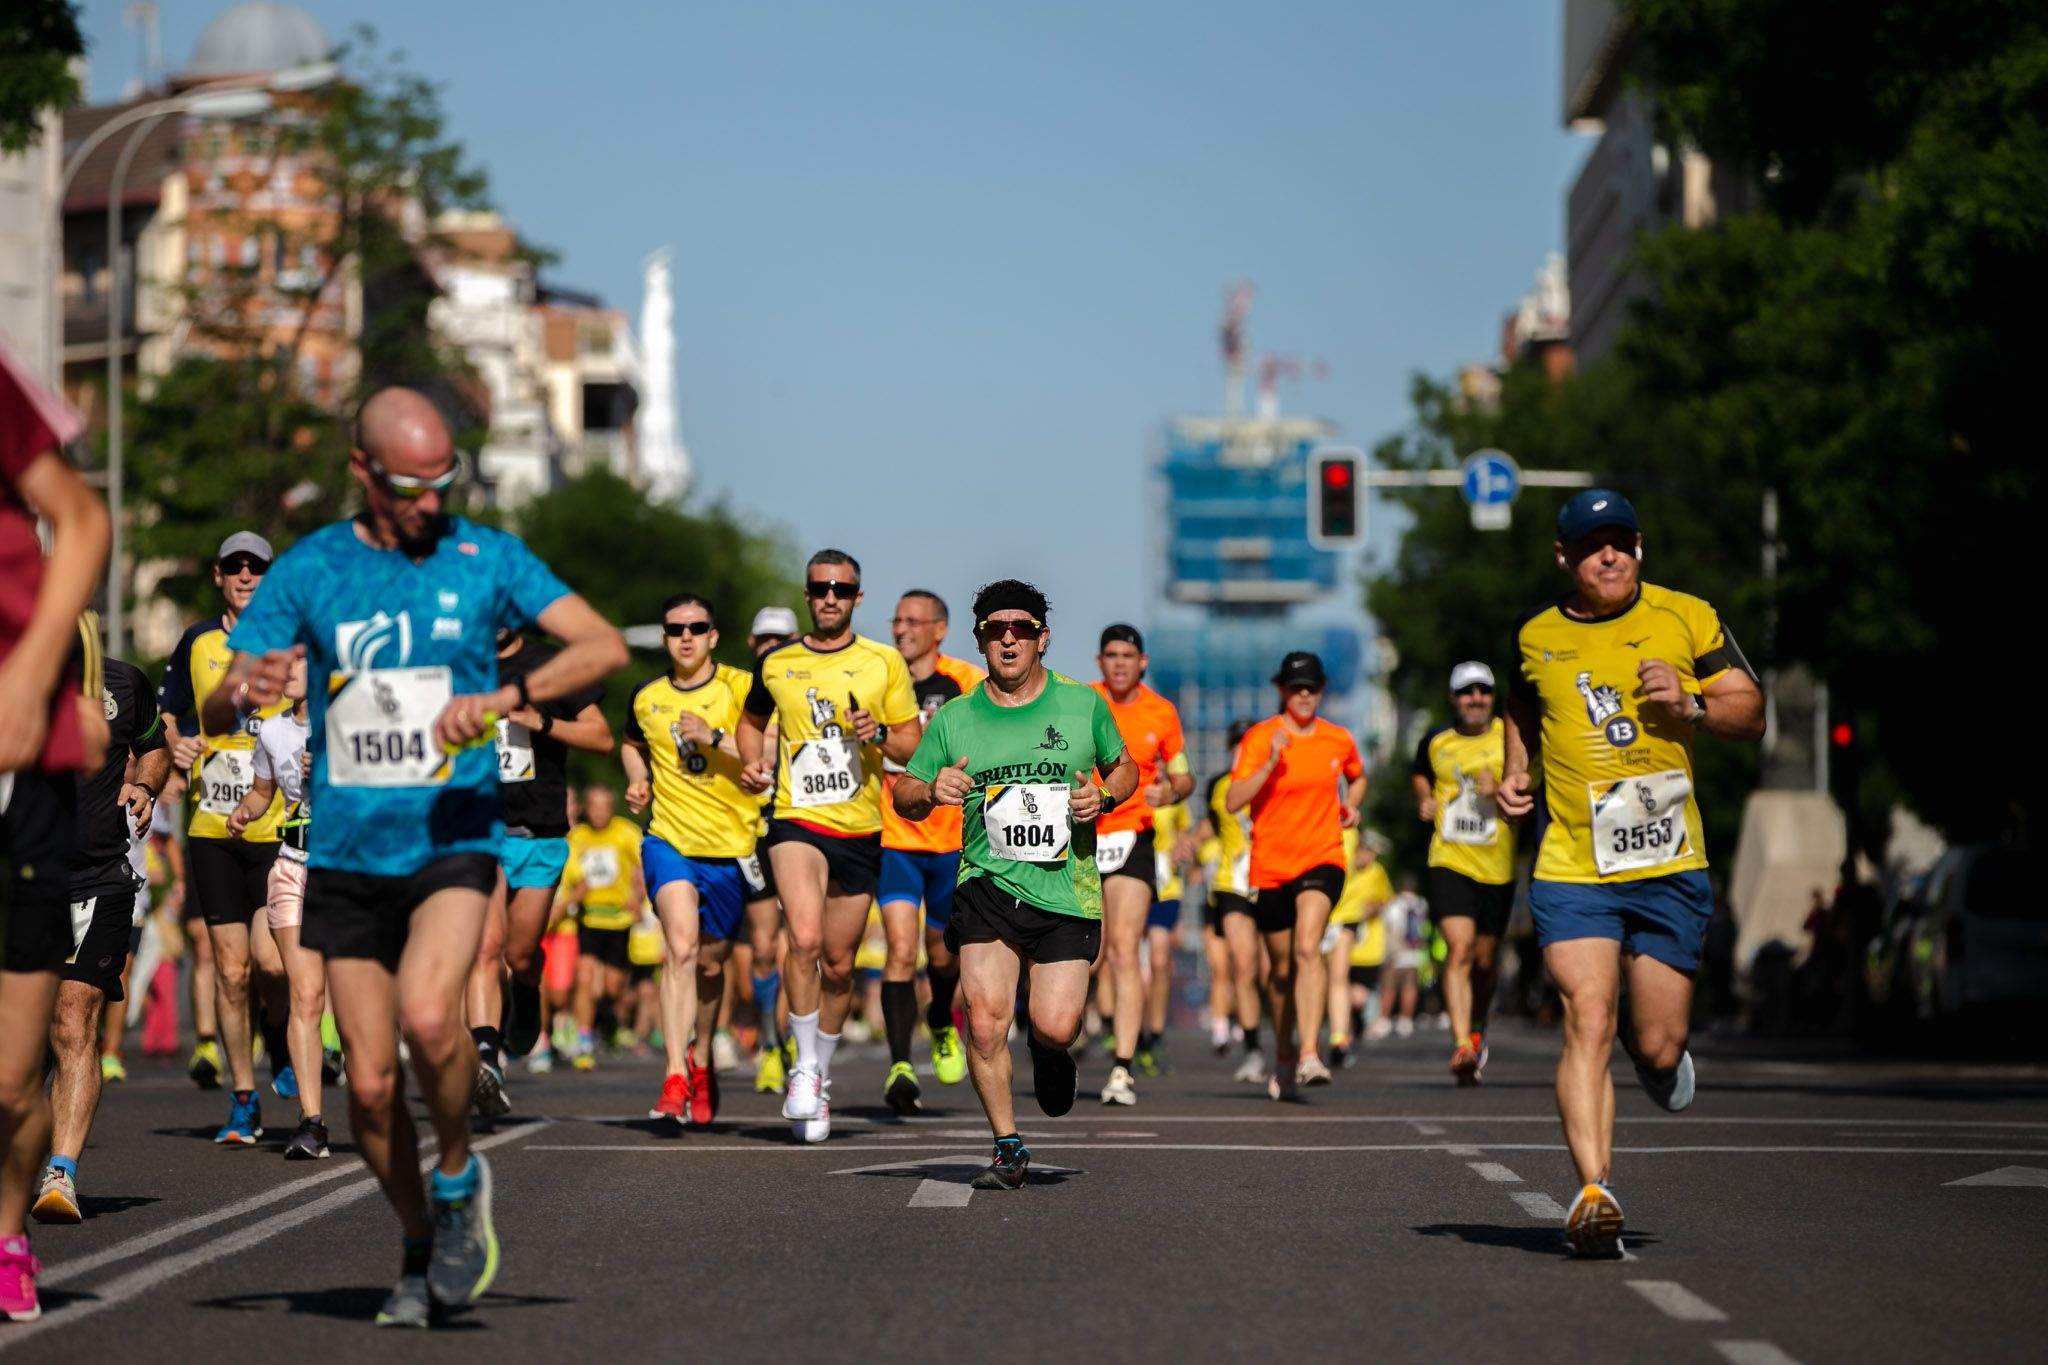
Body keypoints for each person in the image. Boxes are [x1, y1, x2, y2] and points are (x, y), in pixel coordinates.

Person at [207, 386, 626, 1325]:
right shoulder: (313, 567)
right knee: (366, 1085)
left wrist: (507, 695)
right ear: (362, 469)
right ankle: (415, 1239)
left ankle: (457, 1173)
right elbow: (215, 702)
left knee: (434, 1020)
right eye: (410, 486)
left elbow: (599, 644)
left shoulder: (485, 556)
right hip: (349, 850)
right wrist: (243, 687)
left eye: (446, 480)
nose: (432, 502)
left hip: (452, 836)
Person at [1496, 488, 1763, 1258]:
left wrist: (1692, 704)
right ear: (1564, 556)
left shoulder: (1687, 616)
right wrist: (1516, 771)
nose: (1606, 555)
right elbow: (1522, 706)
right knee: (1588, 1015)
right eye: (1590, 545)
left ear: (1638, 547)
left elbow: (1751, 710)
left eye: (1618, 541)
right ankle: (1594, 1191)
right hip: (1572, 863)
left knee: (1655, 1042)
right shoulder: (1535, 634)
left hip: (1667, 861)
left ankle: (1658, 1059)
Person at [892, 580, 1137, 1189]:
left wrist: (1103, 797)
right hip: (987, 883)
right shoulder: (955, 717)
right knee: (984, 1021)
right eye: (996, 630)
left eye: (1021, 629)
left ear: (1042, 638)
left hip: (1066, 890)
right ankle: (1007, 1145)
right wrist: (932, 790)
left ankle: (1049, 1052)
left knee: (1054, 1025)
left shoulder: (1081, 705)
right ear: (980, 641)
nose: (1008, 640)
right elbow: (905, 793)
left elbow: (1126, 768)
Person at [736, 549, 918, 1143]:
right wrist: (753, 763)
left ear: (857, 596)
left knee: (839, 967)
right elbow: (749, 723)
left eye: (841, 588)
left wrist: (879, 733)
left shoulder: (883, 662)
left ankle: (821, 1074)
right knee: (805, 939)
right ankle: (804, 1069)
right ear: (808, 595)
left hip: (860, 828)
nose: (830, 597)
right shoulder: (778, 662)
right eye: (820, 588)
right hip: (796, 819)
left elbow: (912, 743)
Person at [1, 350, 109, 1323]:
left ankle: (8, 1233)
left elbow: (81, 519)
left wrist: (32, 680)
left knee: (8, 1083)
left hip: (21, 767)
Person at [161, 531, 300, 1144]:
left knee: (272, 963)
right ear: (218, 575)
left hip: (276, 827)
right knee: (231, 969)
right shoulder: (197, 641)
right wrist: (176, 745)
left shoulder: (290, 642)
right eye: (234, 566)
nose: (246, 576)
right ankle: (243, 1098)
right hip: (212, 827)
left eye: (256, 567)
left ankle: (280, 1036)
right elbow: (165, 714)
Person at [35, 629, 168, 1223]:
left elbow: (156, 747)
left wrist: (143, 784)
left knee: (74, 1019)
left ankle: (61, 1172)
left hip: (98, 878)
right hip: (26, 882)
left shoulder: (125, 682)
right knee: (27, 1041)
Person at [620, 592, 758, 1125]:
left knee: (710, 962)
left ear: (712, 636)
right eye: (676, 629)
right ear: (664, 638)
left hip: (730, 847)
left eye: (696, 628)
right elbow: (631, 743)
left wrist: (715, 737)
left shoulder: (741, 687)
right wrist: (638, 779)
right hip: (668, 840)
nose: (686, 637)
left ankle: (701, 1060)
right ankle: (675, 1074)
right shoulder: (647, 695)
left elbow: (771, 752)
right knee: (679, 948)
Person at [470, 628, 610, 1114]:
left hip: (539, 832)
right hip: (478, 830)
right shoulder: (458, 659)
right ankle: (486, 1058)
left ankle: (526, 988)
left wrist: (542, 722)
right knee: (485, 947)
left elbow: (601, 736)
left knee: (520, 954)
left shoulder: (552, 665)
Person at [1226, 652, 1366, 1098]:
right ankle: (1284, 1052)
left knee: (1308, 948)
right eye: (1295, 687)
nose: (1304, 695)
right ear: (1282, 690)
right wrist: (1269, 763)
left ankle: (1309, 1053)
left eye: (1312, 687)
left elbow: (1358, 776)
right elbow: (1233, 800)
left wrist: (1352, 805)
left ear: (1322, 690)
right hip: (1270, 867)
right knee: (1281, 972)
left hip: (1322, 857)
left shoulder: (1337, 739)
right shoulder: (1260, 737)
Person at [875, 590, 982, 1114]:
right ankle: (900, 1064)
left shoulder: (965, 682)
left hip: (949, 840)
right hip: (892, 836)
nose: (902, 629)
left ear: (940, 629)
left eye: (913, 621)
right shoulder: (877, 678)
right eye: (897, 620)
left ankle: (940, 1016)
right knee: (900, 948)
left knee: (942, 953)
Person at [226, 652, 330, 1158]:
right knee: (305, 995)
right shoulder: (270, 730)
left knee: (354, 998)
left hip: (344, 870)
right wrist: (244, 811)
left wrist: (331, 768)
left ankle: (379, 1099)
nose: (288, 670)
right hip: (292, 865)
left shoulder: (348, 721)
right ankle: (312, 1122)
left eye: (299, 661)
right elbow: (263, 791)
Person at [1089, 625, 1192, 1106]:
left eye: (1127, 656)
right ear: (1100, 661)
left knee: (1125, 950)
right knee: (1087, 954)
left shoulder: (1162, 712)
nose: (1119, 664)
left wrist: (1170, 792)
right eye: (1111, 655)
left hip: (1133, 837)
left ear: (1142, 662)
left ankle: (1122, 1066)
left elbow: (1184, 774)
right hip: (1080, 834)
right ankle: (1060, 1034)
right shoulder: (1082, 700)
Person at [1411, 660, 1520, 1084]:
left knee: (1485, 959)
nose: (1475, 699)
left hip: (1497, 864)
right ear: (1453, 699)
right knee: (1459, 948)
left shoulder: (1511, 737)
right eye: (1466, 692)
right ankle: (1461, 1044)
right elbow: (1420, 774)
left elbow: (1535, 779)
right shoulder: (1436, 741)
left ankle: (1476, 1027)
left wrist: (1506, 787)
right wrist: (1424, 799)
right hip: (1450, 858)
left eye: (1483, 691)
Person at [740, 606, 796, 1094]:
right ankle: (770, 1044)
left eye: (782, 640)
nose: (772, 648)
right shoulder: (739, 691)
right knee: (762, 948)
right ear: (752, 644)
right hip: (751, 832)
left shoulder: (804, 688)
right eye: (765, 641)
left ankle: (793, 1035)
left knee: (802, 943)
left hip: (801, 830)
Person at [1199, 720, 1266, 1082]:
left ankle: (1288, 1043)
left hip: (1270, 880)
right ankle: (1253, 1049)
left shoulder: (1274, 778)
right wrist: (1190, 841)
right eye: (1236, 742)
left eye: (1248, 742)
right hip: (1231, 883)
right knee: (1243, 966)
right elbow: (1211, 824)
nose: (1241, 748)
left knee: (1274, 971)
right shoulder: (1218, 784)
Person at [562, 786, 643, 1069]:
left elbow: (643, 866)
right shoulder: (578, 837)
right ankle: (583, 1040)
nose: (599, 812)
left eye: (604, 806)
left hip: (618, 920)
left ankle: (607, 1020)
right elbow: (571, 875)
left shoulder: (626, 832)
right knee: (584, 978)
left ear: (612, 808)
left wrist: (638, 896)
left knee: (612, 988)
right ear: (587, 808)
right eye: (594, 806)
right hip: (588, 919)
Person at [1138, 795, 1192, 1076]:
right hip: (1130, 880)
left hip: (1165, 888)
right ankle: (1130, 1033)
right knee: (1128, 965)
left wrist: (1183, 847)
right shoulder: (1124, 787)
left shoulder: (1171, 793)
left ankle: (1155, 1036)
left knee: (1159, 962)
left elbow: (1184, 832)